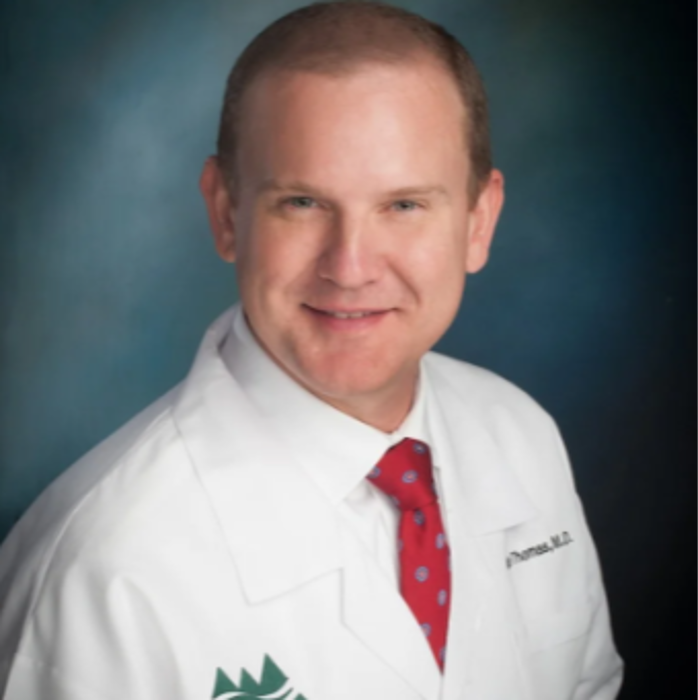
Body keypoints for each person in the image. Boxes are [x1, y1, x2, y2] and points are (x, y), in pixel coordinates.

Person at [0, 2, 624, 698]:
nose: (351, 267)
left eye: (404, 205)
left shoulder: (520, 436)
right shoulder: (106, 571)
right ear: (226, 214)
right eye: (302, 203)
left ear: (479, 223)